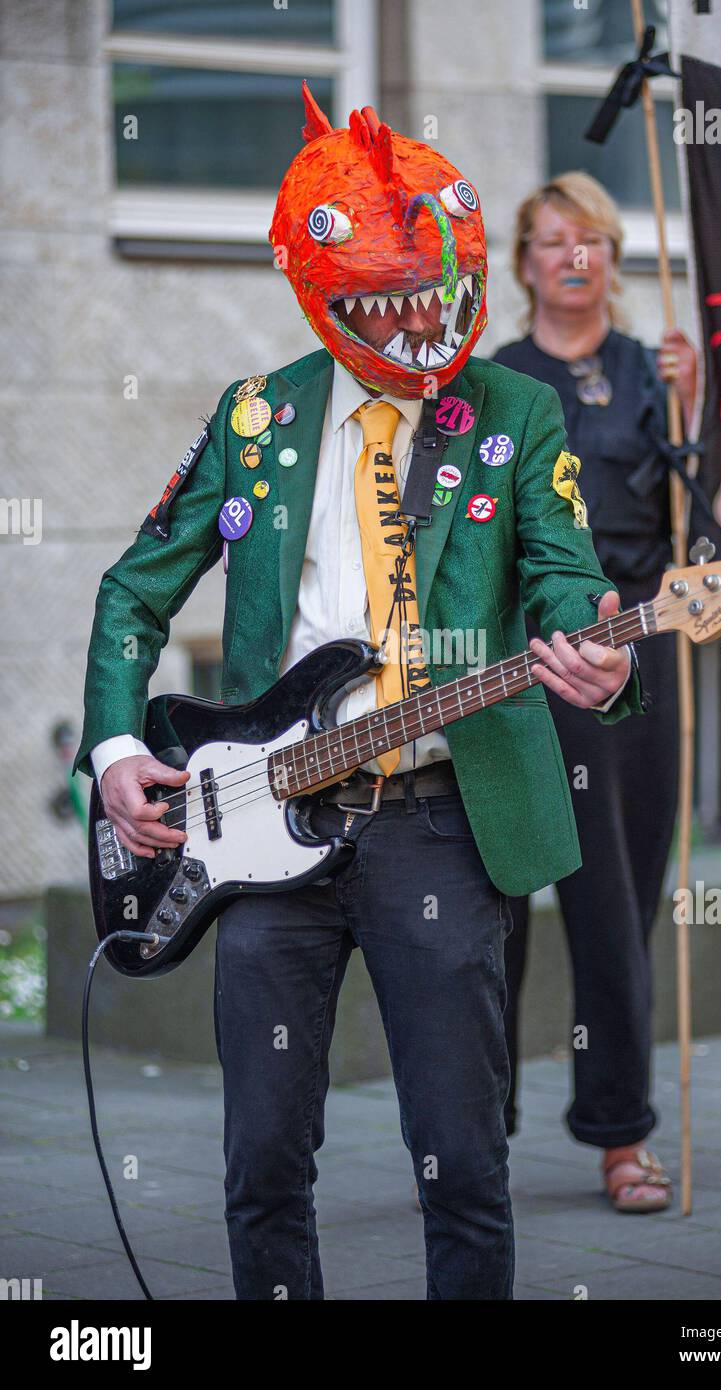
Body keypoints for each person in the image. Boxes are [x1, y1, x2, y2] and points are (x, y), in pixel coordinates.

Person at [73, 92, 640, 1300]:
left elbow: (564, 569)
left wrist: (601, 644)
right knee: (265, 1153)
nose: (418, 315)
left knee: (461, 1158)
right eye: (389, 296)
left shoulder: (512, 411)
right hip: (263, 816)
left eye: (435, 290)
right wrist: (118, 742)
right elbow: (135, 589)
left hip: (437, 813)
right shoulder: (255, 414)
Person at [493, 172, 698, 1214]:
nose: (573, 258)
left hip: (631, 653)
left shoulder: (652, 370)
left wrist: (695, 407)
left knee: (615, 900)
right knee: (493, 899)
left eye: (593, 241)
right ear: (523, 261)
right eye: (552, 241)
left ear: (612, 260)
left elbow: (704, 534)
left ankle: (622, 1136)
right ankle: (473, 1131)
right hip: (514, 657)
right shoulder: (494, 383)